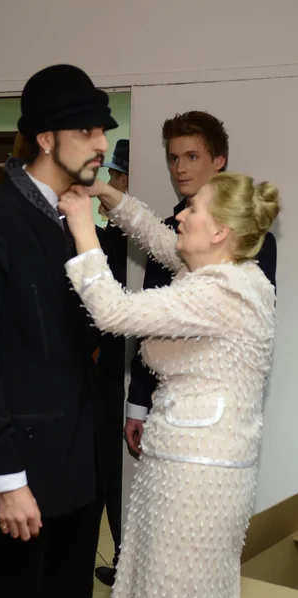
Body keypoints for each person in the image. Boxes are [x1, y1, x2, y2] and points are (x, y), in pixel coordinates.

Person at [59, 171, 280, 598]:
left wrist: (84, 229)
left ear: (219, 231)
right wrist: (110, 195)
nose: (180, 216)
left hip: (194, 480)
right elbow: (159, 239)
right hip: (186, 465)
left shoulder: (223, 294)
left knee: (173, 586)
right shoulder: (234, 272)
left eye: (193, 209)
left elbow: (113, 312)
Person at [0, 64, 117, 598]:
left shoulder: (80, 220)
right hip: (25, 478)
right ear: (46, 138)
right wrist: (5, 479)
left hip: (82, 473)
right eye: (86, 131)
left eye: (101, 130)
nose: (101, 144)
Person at [125, 111, 277, 456]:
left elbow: (252, 335)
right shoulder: (168, 231)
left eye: (192, 157)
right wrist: (137, 402)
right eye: (174, 158)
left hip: (218, 414)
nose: (180, 168)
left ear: (219, 160)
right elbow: (148, 320)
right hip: (162, 402)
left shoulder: (252, 237)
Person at [95, 140, 129, 587]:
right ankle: (123, 561)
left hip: (116, 373)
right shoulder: (109, 236)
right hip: (106, 374)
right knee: (109, 470)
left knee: (115, 473)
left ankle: (126, 563)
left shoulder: (121, 238)